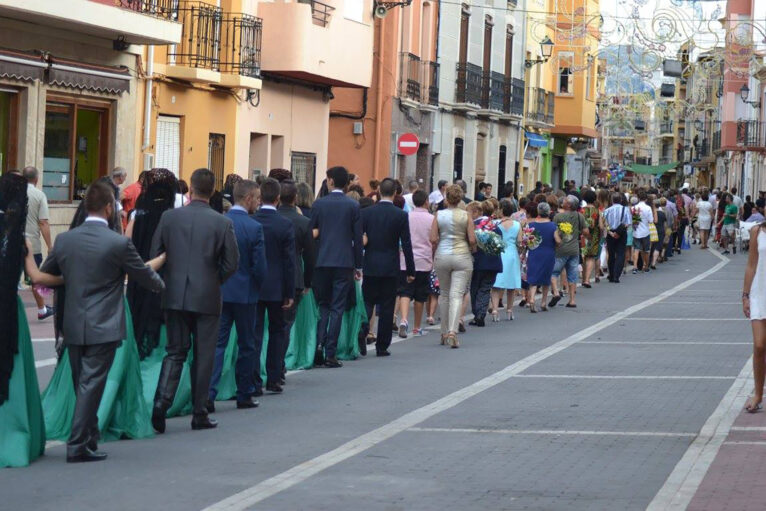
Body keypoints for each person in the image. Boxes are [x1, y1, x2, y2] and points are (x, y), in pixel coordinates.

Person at [41, 181, 165, 462]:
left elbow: (47, 275)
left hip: (73, 321)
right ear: (109, 208)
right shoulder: (118, 243)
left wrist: (71, 279)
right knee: (90, 384)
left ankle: (90, 436)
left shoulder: (65, 240)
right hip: (104, 322)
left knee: (80, 382)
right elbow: (142, 275)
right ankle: (77, 444)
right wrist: (162, 287)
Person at [150, 168, 239, 433]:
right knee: (204, 355)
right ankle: (199, 411)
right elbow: (232, 263)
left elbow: (156, 254)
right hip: (207, 294)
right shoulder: (222, 222)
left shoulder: (169, 218)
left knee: (175, 351)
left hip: (175, 293)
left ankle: (161, 402)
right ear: (212, 191)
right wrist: (214, 279)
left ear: (190, 189)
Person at [0, 172, 46, 468]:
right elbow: (37, 277)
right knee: (14, 373)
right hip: (8, 311)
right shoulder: (21, 239)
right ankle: (13, 434)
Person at [208, 180, 266, 411]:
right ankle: (244, 393)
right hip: (246, 293)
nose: (259, 203)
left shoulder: (220, 222)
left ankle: (208, 395)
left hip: (220, 291)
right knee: (247, 345)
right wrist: (256, 285)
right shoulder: (254, 227)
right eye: (258, 199)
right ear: (249, 198)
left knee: (217, 345)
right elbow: (259, 266)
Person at [310, 166, 364, 368]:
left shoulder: (319, 204)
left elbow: (312, 233)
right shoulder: (352, 206)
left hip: (322, 260)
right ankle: (330, 352)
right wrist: (358, 265)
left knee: (323, 305)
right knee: (337, 307)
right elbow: (357, 239)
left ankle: (318, 345)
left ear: (330, 181)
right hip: (344, 261)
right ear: (347, 183)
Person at [126, 168, 178, 359]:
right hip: (165, 277)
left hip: (138, 275)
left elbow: (126, 243)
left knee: (138, 316)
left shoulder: (136, 216)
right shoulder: (174, 218)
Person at [361, 178, 415, 356]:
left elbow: (361, 239)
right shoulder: (400, 215)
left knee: (367, 302)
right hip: (391, 265)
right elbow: (406, 244)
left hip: (370, 263)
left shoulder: (367, 213)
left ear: (378, 192)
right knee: (386, 306)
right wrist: (410, 269)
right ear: (394, 193)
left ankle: (361, 335)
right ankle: (382, 345)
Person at [252, 178, 296, 393]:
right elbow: (289, 261)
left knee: (255, 333)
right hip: (277, 286)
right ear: (278, 199)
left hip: (254, 285)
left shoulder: (253, 220)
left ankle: (253, 379)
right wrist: (289, 292)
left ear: (260, 198)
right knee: (277, 331)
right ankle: (274, 377)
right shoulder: (285, 224)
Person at [431, 184, 476, 348]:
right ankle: (452, 331)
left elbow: (433, 238)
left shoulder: (439, 214)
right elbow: (471, 239)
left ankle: (443, 332)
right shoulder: (466, 215)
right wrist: (474, 247)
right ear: (460, 199)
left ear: (446, 198)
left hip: (443, 255)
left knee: (444, 293)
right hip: (462, 256)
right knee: (457, 294)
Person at [278, 179, 315, 373]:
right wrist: (308, 281)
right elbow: (310, 256)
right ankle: (278, 365)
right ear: (295, 198)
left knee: (267, 326)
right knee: (285, 324)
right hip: (294, 279)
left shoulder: (264, 217)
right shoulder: (303, 222)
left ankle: (268, 365)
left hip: (269, 279)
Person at [395, 190, 433, 338]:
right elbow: (434, 239)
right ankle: (417, 326)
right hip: (424, 260)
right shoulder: (431, 219)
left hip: (406, 259)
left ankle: (403, 319)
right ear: (425, 202)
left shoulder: (407, 217)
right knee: (420, 295)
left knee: (405, 291)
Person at [22, 166, 54, 320]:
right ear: (36, 179)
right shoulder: (39, 195)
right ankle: (42, 309)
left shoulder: (9, 193)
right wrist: (50, 246)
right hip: (31, 245)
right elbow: (43, 223)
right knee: (35, 278)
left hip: (9, 243)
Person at [743, 220, 766, 412]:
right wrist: (745, 295)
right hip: (760, 294)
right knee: (759, 345)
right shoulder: (757, 231)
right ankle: (758, 394)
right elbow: (751, 264)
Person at [469, 201, 503, 326]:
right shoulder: (494, 226)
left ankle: (477, 313)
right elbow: (500, 242)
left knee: (475, 288)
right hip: (493, 262)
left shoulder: (474, 225)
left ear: (477, 212)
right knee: (485, 288)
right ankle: (481, 314)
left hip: (477, 262)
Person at [550, 196, 588, 308]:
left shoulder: (558, 216)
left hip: (561, 249)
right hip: (574, 249)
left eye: (565, 201)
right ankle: (572, 300)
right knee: (572, 275)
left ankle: (556, 292)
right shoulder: (579, 216)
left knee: (553, 272)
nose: (563, 201)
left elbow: (554, 231)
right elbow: (585, 231)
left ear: (569, 205)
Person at [526, 202, 560, 312]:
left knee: (533, 277)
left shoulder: (531, 225)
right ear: (548, 212)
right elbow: (558, 241)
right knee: (546, 278)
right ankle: (543, 303)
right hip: (548, 253)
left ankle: (531, 299)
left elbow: (526, 241)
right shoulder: (552, 226)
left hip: (534, 253)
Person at [491, 199, 522, 321]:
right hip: (512, 253)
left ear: (501, 210)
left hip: (499, 253)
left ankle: (494, 310)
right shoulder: (517, 224)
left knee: (496, 284)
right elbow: (519, 241)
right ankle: (509, 310)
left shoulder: (495, 223)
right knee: (511, 284)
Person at [604, 193, 630, 283]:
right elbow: (628, 223)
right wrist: (619, 232)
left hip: (610, 233)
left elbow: (605, 223)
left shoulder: (607, 210)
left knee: (611, 254)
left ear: (612, 200)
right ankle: (616, 275)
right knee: (620, 253)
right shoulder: (626, 209)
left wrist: (610, 232)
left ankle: (611, 274)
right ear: (621, 200)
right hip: (622, 233)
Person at [580, 189, 604, 288]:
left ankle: (583, 278)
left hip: (582, 236)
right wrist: (601, 235)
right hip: (594, 236)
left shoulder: (581, 211)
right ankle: (587, 279)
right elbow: (601, 226)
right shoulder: (598, 211)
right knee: (591, 257)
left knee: (584, 257)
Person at [631, 190, 653, 273]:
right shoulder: (648, 208)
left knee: (636, 249)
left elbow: (632, 220)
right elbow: (651, 220)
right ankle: (646, 266)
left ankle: (635, 267)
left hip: (636, 231)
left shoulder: (633, 208)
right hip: (645, 231)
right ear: (646, 199)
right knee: (646, 250)